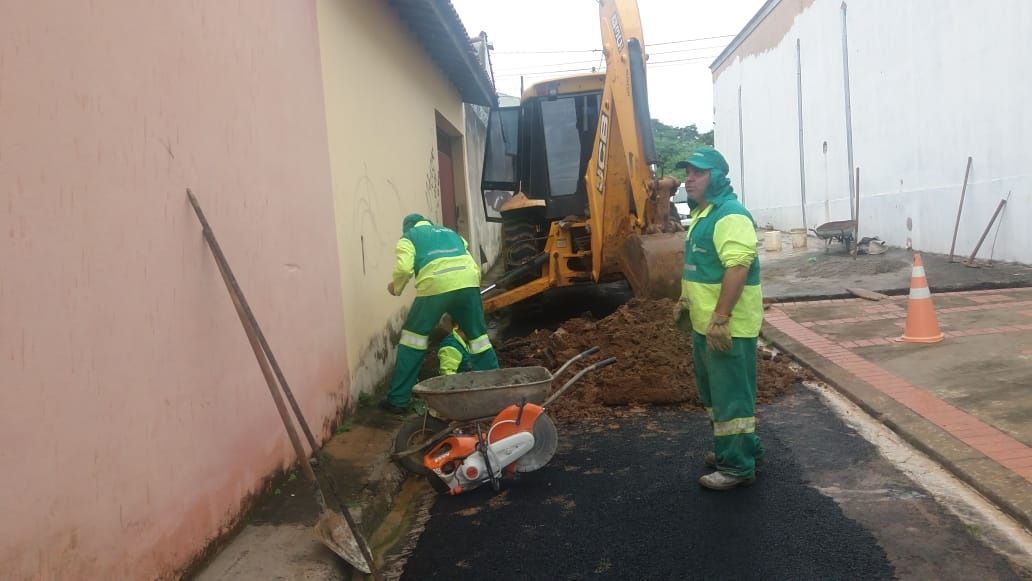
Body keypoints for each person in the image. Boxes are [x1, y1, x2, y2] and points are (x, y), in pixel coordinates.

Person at [674, 147, 765, 491]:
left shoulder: (730, 215)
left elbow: (737, 267)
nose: (689, 178)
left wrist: (722, 317)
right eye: (688, 172)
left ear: (718, 177)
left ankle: (737, 467)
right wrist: (686, 302)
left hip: (728, 327)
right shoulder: (704, 214)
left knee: (732, 399)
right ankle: (743, 449)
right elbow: (702, 268)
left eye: (698, 172)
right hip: (706, 324)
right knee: (715, 395)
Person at [382, 214, 499, 413]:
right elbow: (469, 259)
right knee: (479, 339)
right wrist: (470, 287)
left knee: (412, 340)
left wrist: (396, 287)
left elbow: (403, 268)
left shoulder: (409, 237)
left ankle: (398, 401)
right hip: (468, 283)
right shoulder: (451, 233)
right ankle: (496, 390)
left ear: (407, 227)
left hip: (435, 285)